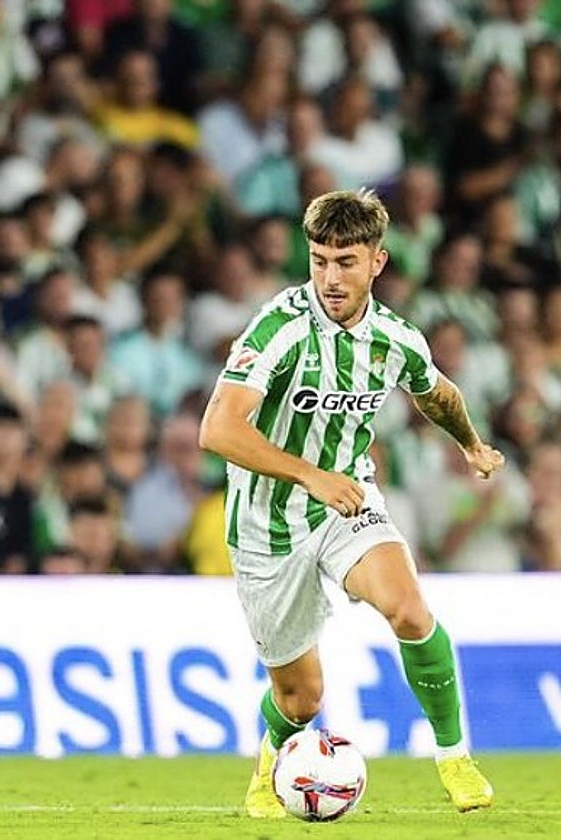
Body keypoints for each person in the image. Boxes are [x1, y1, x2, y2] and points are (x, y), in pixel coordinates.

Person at [199, 189, 501, 818]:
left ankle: (454, 757)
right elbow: (219, 431)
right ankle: (269, 761)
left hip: (346, 505)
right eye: (318, 261)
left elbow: (437, 394)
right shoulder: (278, 329)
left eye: (344, 262)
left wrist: (471, 444)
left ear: (377, 263)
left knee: (411, 610)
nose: (330, 278)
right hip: (267, 526)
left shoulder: (395, 338)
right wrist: (309, 474)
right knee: (302, 699)